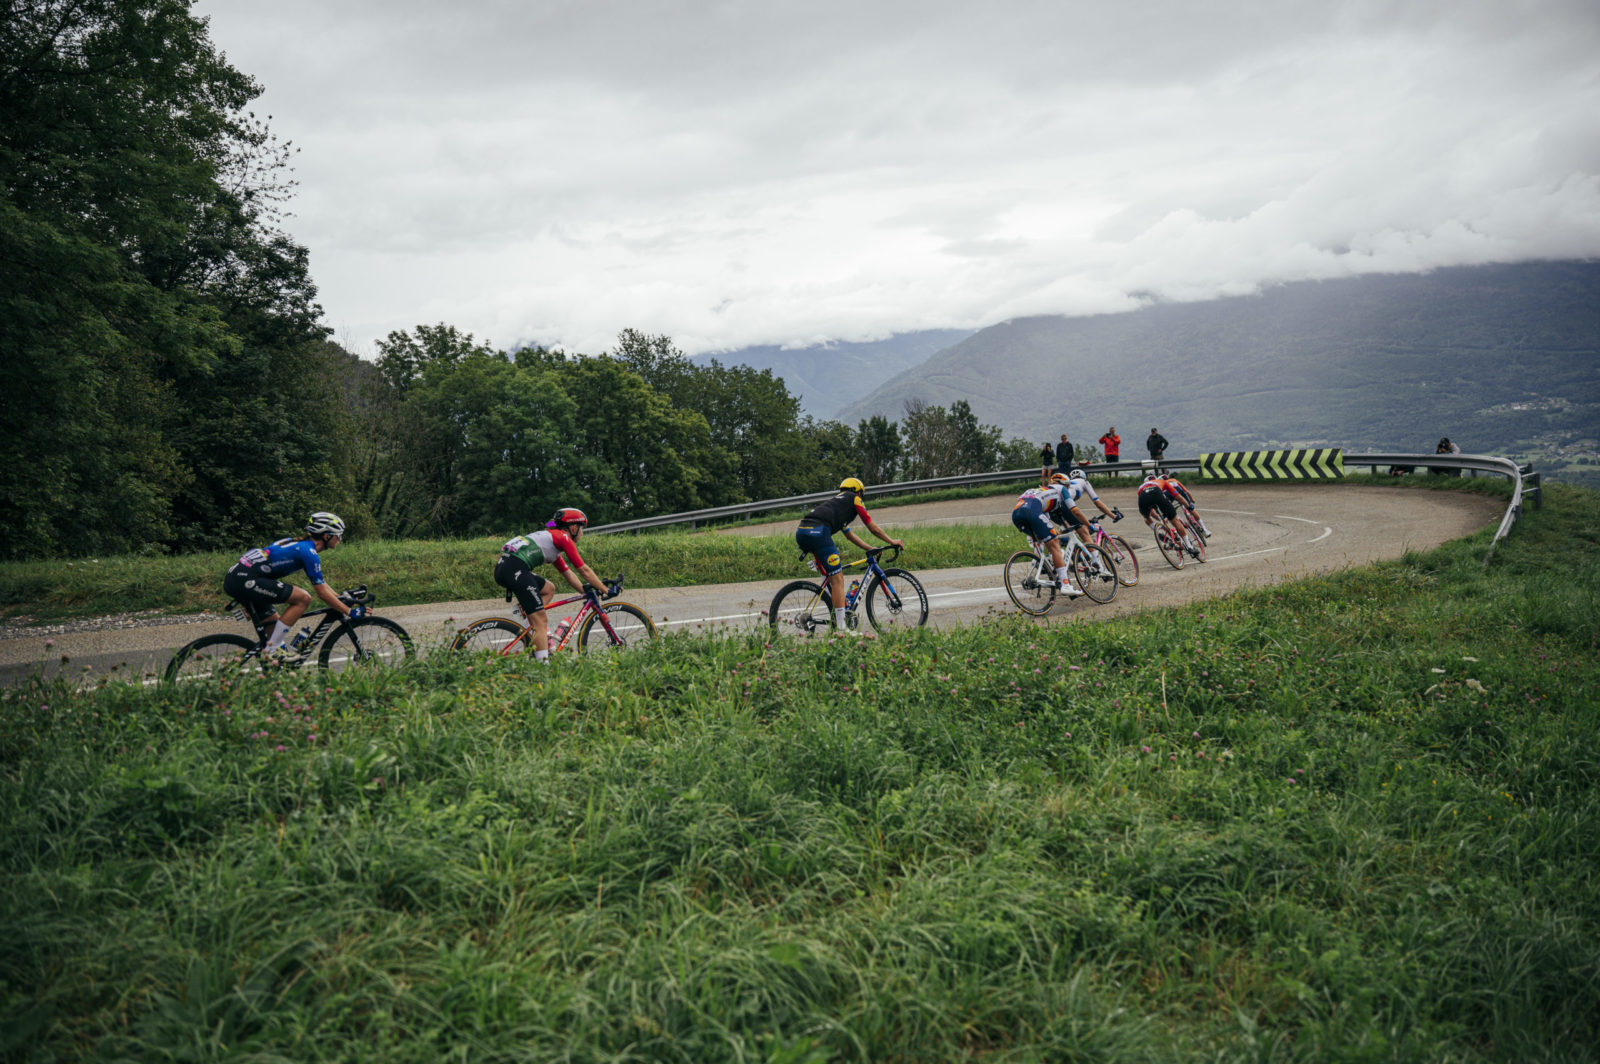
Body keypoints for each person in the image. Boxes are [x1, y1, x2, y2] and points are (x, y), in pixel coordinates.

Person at [224, 511, 363, 655]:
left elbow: (321, 583)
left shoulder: (295, 543)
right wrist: (349, 612)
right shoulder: (308, 552)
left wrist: (340, 598)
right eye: (338, 535)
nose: (340, 539)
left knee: (276, 632)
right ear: (327, 536)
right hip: (245, 580)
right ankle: (271, 648)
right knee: (303, 598)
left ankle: (274, 658)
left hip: (239, 578)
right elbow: (321, 593)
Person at [495, 507, 613, 661]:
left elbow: (568, 574)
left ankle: (529, 622)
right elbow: (583, 570)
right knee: (540, 621)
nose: (582, 533)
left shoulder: (552, 541)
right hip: (515, 569)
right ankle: (543, 665)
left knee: (549, 589)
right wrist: (606, 589)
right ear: (573, 528)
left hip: (506, 568)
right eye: (582, 528)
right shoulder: (563, 538)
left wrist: (586, 592)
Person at [796, 477, 905, 635]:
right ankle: (842, 629)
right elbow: (872, 527)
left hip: (802, 532)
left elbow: (850, 536)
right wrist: (891, 541)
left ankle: (834, 613)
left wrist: (870, 548)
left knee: (830, 576)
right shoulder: (854, 498)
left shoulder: (838, 505)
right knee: (838, 579)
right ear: (858, 492)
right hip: (819, 533)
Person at [1011, 474, 1084, 597]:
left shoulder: (1041, 491)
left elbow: (1045, 519)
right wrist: (1087, 525)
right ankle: (1065, 584)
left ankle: (1042, 562)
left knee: (1047, 538)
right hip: (1031, 512)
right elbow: (1074, 510)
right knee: (1054, 544)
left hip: (1016, 514)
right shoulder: (1061, 489)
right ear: (1065, 485)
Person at [1136, 473, 1197, 553]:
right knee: (1175, 520)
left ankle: (1158, 532)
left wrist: (1160, 519)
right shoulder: (1163, 482)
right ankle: (1189, 547)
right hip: (1157, 493)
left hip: (1143, 496)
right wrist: (1188, 507)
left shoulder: (1141, 487)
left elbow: (1151, 512)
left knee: (1146, 518)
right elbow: (1180, 498)